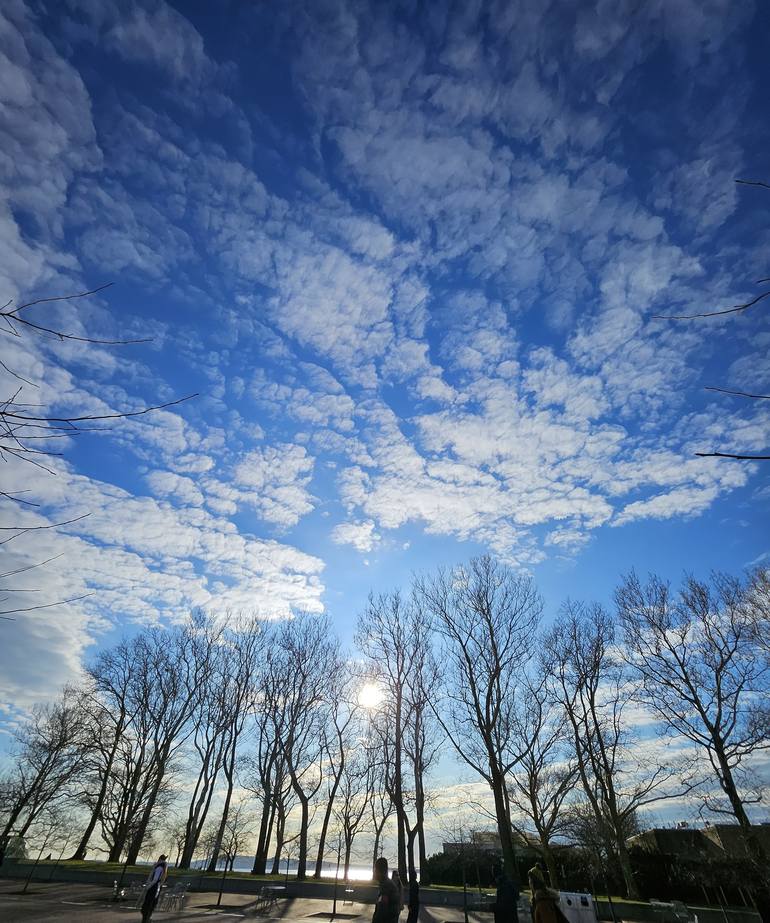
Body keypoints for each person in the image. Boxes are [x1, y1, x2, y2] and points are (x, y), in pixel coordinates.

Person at [373, 857, 401, 923]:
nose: (374, 872)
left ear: (379, 871)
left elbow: (382, 910)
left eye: (375, 869)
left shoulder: (386, 886)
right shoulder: (387, 884)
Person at [141, 854, 168, 922]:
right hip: (157, 887)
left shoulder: (159, 867)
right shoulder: (164, 867)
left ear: (159, 859)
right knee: (152, 903)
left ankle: (145, 919)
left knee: (148, 903)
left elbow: (155, 879)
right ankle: (147, 918)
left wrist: (148, 886)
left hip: (153, 886)